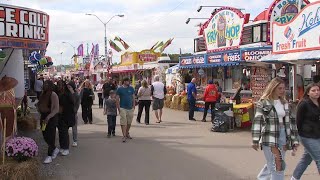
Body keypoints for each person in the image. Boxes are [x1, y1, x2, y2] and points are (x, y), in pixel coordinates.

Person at [251, 77, 299, 180]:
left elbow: (291, 123)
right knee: (278, 166)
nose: (282, 91)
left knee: (274, 163)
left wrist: (294, 140)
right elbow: (257, 121)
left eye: (283, 88)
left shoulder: (285, 103)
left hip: (283, 136)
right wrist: (255, 140)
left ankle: (262, 178)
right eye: (280, 88)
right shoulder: (264, 103)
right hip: (269, 136)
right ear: (273, 88)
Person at [291, 83, 320, 180]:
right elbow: (298, 122)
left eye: (318, 90)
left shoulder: (318, 102)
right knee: (319, 158)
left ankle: (294, 178)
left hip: (317, 135)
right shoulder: (304, 104)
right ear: (308, 93)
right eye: (313, 90)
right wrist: (296, 139)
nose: (316, 92)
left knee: (306, 159)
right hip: (307, 136)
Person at [37, 80, 60, 164]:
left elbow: (56, 109)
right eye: (44, 84)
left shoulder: (53, 94)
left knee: (51, 136)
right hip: (43, 117)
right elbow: (40, 104)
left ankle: (49, 155)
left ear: (50, 85)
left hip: (51, 118)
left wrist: (49, 117)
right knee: (44, 134)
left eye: (47, 84)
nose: (45, 85)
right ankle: (55, 148)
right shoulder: (43, 94)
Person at [56, 80, 75, 156]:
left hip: (66, 115)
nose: (58, 86)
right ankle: (62, 146)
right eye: (58, 85)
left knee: (64, 132)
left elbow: (72, 104)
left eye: (60, 85)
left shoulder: (67, 94)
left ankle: (66, 148)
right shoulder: (58, 94)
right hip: (59, 115)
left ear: (63, 86)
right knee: (60, 132)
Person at [116, 77, 135, 143]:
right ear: (124, 81)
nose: (129, 82)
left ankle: (127, 133)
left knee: (129, 122)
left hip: (130, 108)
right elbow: (117, 99)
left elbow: (133, 97)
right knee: (123, 121)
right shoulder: (119, 89)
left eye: (129, 81)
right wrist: (118, 108)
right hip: (122, 107)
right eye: (127, 81)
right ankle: (124, 135)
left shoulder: (131, 88)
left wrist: (133, 106)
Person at [68, 81, 81, 147]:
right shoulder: (66, 94)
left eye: (70, 87)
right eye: (68, 87)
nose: (68, 88)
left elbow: (76, 104)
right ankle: (66, 141)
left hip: (73, 113)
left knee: (74, 128)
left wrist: (73, 93)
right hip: (66, 113)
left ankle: (75, 140)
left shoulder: (76, 95)